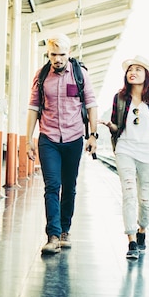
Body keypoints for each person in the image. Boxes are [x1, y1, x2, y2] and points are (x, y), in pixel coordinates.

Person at [26, 34, 98, 255]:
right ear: (48, 53)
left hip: (74, 138)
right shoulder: (41, 76)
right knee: (51, 186)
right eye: (53, 54)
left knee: (70, 187)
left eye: (62, 54)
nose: (57, 58)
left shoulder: (80, 74)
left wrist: (93, 135)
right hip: (48, 138)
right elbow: (34, 107)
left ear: (69, 53)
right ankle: (53, 236)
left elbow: (91, 104)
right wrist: (28, 138)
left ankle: (65, 230)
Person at [100, 56, 149, 260]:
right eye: (130, 69)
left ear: (147, 75)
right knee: (129, 195)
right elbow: (117, 126)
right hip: (125, 150)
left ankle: (142, 231)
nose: (132, 72)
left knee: (145, 198)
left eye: (138, 69)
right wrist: (109, 126)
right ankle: (131, 240)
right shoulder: (120, 98)